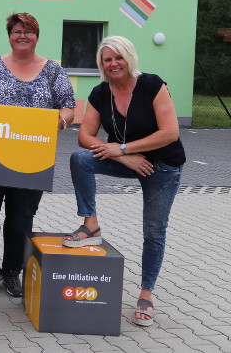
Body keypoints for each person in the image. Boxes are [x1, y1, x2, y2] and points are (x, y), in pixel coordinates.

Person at [63, 36, 184, 327]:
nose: (113, 63)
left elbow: (170, 132)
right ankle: (91, 225)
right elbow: (85, 137)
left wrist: (123, 148)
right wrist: (122, 156)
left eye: (118, 57)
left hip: (163, 167)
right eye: (107, 59)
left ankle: (146, 294)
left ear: (129, 58)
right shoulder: (100, 92)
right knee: (80, 158)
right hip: (127, 160)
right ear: (101, 65)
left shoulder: (153, 85)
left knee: (154, 231)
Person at [0, 12, 75, 298]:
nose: (22, 36)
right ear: (9, 35)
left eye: (28, 31)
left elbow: (68, 107)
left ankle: (13, 270)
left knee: (20, 218)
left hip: (31, 160)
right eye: (16, 31)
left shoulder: (53, 71)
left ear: (37, 36)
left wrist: (59, 122)